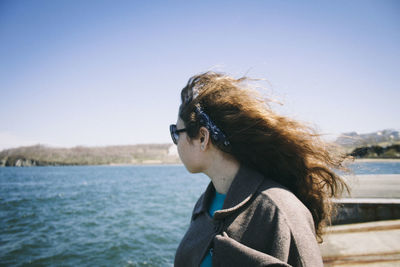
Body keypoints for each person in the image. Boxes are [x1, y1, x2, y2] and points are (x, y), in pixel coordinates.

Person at [171, 72, 349, 267]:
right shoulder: (203, 206)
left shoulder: (280, 211)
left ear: (203, 138)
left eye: (176, 132)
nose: (175, 142)